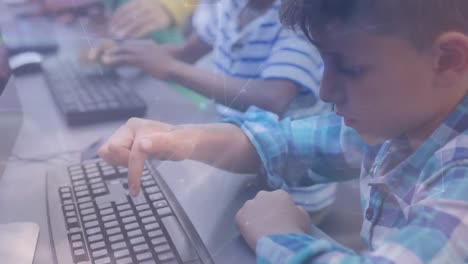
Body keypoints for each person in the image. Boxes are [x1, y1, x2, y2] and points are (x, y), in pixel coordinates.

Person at [98, 0, 468, 262]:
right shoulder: (405, 122)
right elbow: (289, 143)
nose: (325, 90)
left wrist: (280, 234)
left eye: (351, 69)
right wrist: (182, 138)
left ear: (448, 59)